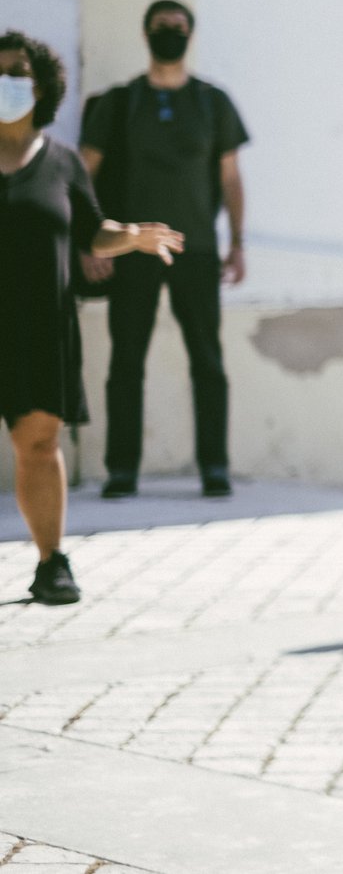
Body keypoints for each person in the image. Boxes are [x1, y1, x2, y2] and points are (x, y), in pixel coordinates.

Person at [1, 31, 183, 603]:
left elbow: (90, 231)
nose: (8, 84)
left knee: (38, 444)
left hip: (39, 326)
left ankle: (52, 562)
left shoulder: (62, 162)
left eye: (18, 73)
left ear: (42, 86)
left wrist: (130, 237)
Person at [80, 0, 250, 499]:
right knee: (125, 362)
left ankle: (214, 468)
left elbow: (231, 177)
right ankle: (121, 471)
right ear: (146, 33)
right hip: (131, 250)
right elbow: (84, 176)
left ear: (190, 34)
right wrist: (92, 242)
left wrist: (236, 243)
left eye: (178, 27)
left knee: (208, 363)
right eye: (161, 27)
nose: (169, 34)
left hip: (195, 250)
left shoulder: (212, 103)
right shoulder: (120, 102)